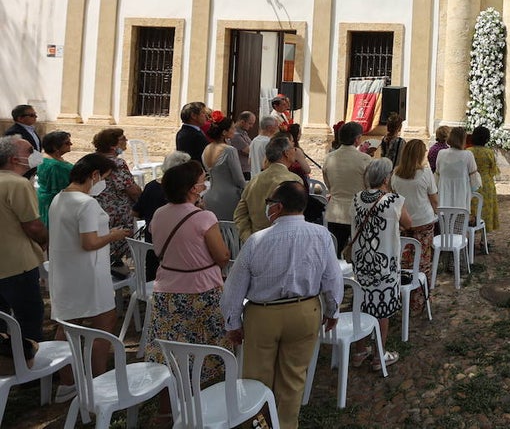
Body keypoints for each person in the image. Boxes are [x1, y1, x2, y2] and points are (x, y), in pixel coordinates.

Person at [222, 181, 342, 429]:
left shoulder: (256, 241)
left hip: (263, 314)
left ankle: (260, 424)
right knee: (294, 376)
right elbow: (332, 277)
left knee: (257, 377)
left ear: (277, 207)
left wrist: (232, 321)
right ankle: (287, 424)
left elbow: (234, 286)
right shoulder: (321, 236)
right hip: (305, 310)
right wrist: (333, 309)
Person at [48, 154, 133, 377]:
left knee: (68, 323)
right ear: (94, 175)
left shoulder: (60, 198)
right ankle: (98, 377)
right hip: (89, 271)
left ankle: (66, 381)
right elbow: (89, 242)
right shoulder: (86, 203)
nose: (103, 184)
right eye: (103, 178)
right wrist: (113, 235)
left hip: (67, 270)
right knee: (105, 322)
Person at [144, 161, 230, 380]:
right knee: (208, 346)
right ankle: (206, 396)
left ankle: (169, 401)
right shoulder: (204, 217)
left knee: (171, 347)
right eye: (203, 180)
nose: (205, 184)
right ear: (193, 188)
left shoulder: (159, 213)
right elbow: (222, 256)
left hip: (166, 288)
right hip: (202, 290)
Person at [349, 159, 412, 370]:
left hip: (361, 261)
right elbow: (408, 223)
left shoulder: (357, 198)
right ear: (386, 178)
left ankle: (359, 351)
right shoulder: (393, 200)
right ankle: (379, 355)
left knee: (362, 303)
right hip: (384, 261)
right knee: (382, 308)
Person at [0, 136, 47, 364]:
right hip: (17, 265)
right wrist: (45, 241)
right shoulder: (18, 184)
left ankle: (7, 360)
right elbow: (33, 226)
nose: (34, 154)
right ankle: (29, 366)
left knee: (1, 320)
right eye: (30, 150)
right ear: (13, 158)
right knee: (29, 317)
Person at [390, 138, 438, 315]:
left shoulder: (395, 174)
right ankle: (420, 299)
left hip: (403, 222)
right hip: (423, 220)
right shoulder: (425, 173)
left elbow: (394, 197)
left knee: (403, 260)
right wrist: (437, 212)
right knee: (423, 261)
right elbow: (433, 197)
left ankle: (402, 298)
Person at [133, 151, 191, 282]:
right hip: (173, 253)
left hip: (151, 246)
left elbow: (136, 212)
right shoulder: (179, 192)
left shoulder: (151, 186)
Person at [233, 135, 301, 242]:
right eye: (294, 148)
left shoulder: (254, 180)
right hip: (283, 241)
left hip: (257, 239)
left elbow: (239, 214)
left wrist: (248, 238)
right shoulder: (293, 181)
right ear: (286, 153)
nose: (296, 151)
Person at [91, 127, 142, 263]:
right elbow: (131, 189)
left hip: (96, 206)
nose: (126, 141)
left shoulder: (91, 159)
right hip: (116, 210)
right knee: (115, 245)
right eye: (122, 139)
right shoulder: (117, 163)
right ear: (112, 145)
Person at [323, 121, 372, 255]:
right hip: (358, 211)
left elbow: (328, 184)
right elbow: (369, 186)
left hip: (334, 211)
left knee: (334, 253)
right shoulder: (365, 159)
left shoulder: (329, 157)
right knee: (359, 253)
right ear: (357, 139)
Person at [202, 117, 246, 222]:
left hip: (210, 195)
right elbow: (239, 179)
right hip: (229, 197)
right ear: (224, 132)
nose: (234, 130)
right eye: (232, 128)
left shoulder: (206, 148)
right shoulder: (229, 150)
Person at [35, 130, 73, 230]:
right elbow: (63, 187)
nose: (71, 144)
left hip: (43, 199)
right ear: (55, 147)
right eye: (67, 143)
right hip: (55, 202)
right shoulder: (56, 166)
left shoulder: (44, 159)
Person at [435, 126, 479, 211]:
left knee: (445, 222)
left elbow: (437, 177)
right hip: (461, 195)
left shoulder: (441, 153)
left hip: (444, 194)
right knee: (460, 221)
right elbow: (474, 182)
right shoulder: (468, 155)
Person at [469, 126, 500, 235]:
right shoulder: (489, 152)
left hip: (471, 182)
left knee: (472, 208)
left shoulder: (468, 152)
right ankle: (484, 239)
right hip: (486, 183)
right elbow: (494, 170)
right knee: (486, 210)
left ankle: (470, 236)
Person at [4, 105, 41, 180]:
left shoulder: (31, 129)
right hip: (21, 173)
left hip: (32, 171)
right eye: (31, 115)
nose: (35, 117)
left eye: (35, 115)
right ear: (20, 118)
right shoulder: (13, 132)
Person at [230, 111, 256, 179]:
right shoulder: (236, 135)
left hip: (246, 169)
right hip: (242, 170)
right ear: (242, 122)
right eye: (250, 123)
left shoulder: (243, 132)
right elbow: (249, 151)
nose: (251, 126)